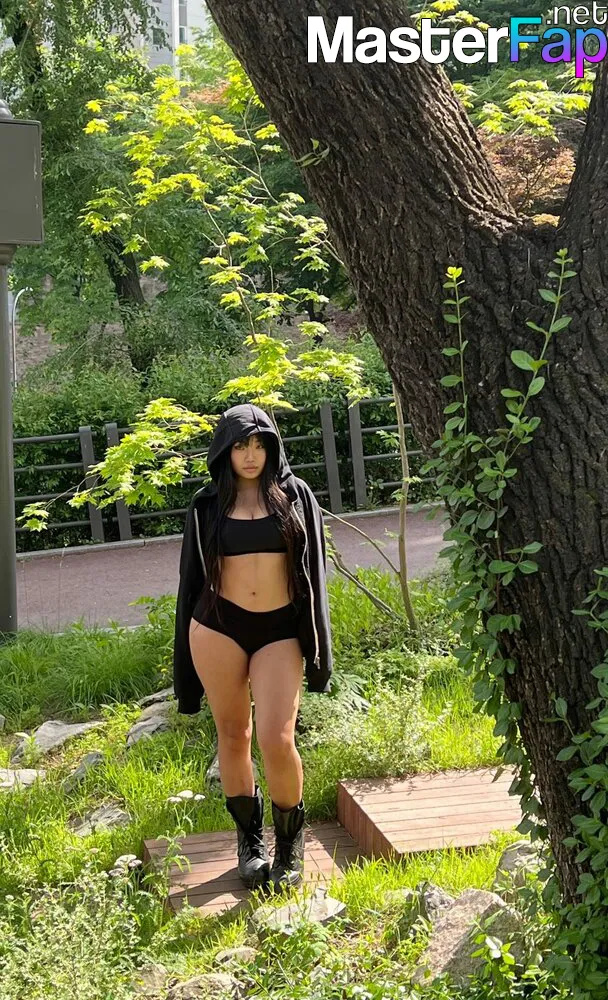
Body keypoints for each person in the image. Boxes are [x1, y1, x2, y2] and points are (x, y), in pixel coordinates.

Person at [173, 402, 333, 892]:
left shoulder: (295, 495)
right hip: (218, 627)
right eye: (241, 445)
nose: (250, 455)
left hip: (278, 630)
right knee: (233, 734)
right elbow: (190, 580)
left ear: (272, 448)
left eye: (260, 445)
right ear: (225, 449)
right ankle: (249, 843)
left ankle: (289, 844)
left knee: (277, 738)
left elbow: (315, 576)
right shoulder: (205, 505)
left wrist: (319, 649)